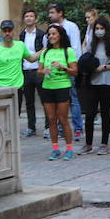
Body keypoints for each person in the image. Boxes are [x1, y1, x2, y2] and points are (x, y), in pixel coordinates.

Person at [38, 24, 77, 160]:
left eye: (54, 34)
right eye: (49, 34)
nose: (51, 36)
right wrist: (44, 71)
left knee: (63, 119)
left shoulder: (68, 51)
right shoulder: (45, 52)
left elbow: (75, 71)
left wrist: (62, 67)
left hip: (62, 86)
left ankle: (69, 148)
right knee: (51, 119)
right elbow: (39, 71)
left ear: (60, 35)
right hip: (47, 87)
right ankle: (55, 149)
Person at [79, 16, 110, 154]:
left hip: (107, 81)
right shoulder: (92, 44)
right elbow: (86, 58)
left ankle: (104, 144)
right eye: (97, 28)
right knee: (89, 113)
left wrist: (105, 67)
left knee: (105, 112)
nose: (99, 31)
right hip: (92, 81)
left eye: (101, 28)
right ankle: (88, 143)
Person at [48, 4, 84, 139]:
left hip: (68, 68)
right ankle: (60, 128)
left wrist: (70, 66)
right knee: (57, 101)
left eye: (52, 12)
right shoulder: (51, 29)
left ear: (60, 13)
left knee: (73, 99)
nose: (50, 15)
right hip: (54, 73)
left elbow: (75, 48)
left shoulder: (71, 27)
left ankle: (78, 127)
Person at [0, 20, 35, 100]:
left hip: (17, 88)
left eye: (9, 31)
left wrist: (45, 49)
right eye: (4, 31)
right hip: (1, 88)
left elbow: (31, 58)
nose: (7, 33)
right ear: (0, 33)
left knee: (17, 112)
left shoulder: (20, 45)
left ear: (13, 32)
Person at [20, 10, 44, 136]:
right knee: (29, 101)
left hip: (38, 69)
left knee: (44, 99)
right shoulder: (21, 35)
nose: (29, 18)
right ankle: (31, 127)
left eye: (31, 16)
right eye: (26, 16)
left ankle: (47, 127)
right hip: (25, 70)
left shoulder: (41, 34)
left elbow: (45, 50)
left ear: (35, 19)